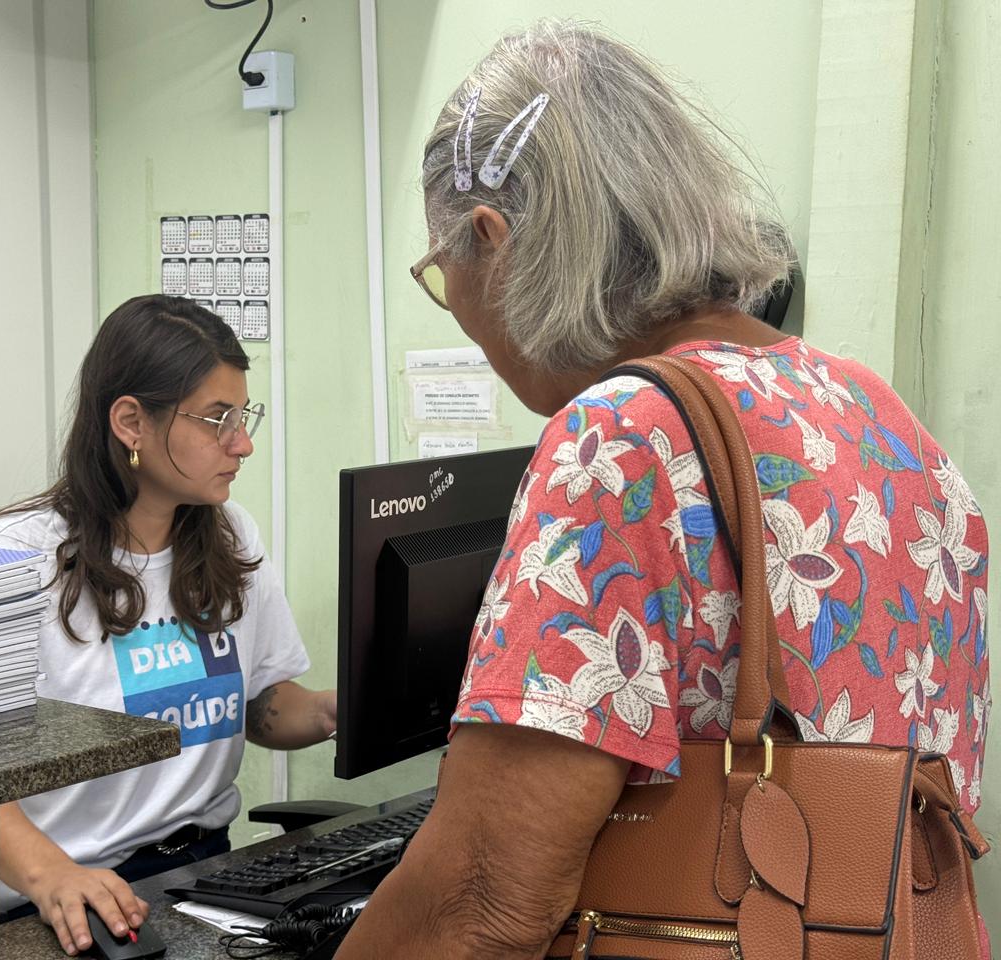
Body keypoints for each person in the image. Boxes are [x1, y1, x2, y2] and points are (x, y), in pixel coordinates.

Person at [337, 20, 989, 959]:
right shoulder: (881, 419)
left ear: (495, 241)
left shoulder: (621, 439)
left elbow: (479, 905)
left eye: (446, 274)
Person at [0, 295, 336, 957]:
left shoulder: (228, 533)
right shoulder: (11, 561)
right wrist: (51, 875)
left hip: (202, 871)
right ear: (131, 422)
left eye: (242, 416)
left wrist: (347, 709)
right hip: (62, 896)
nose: (242, 444)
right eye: (218, 419)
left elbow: (263, 710)